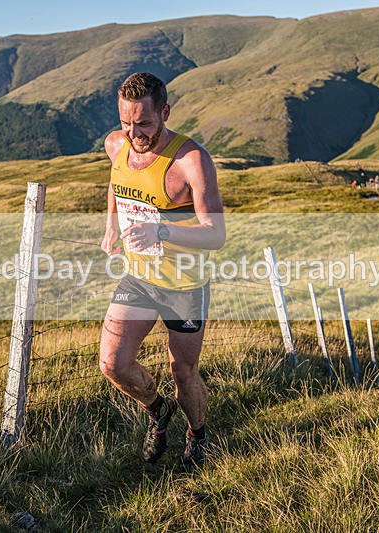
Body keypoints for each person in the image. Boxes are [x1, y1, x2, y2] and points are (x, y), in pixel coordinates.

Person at [100, 72, 226, 470]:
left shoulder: (191, 160)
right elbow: (117, 182)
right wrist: (110, 227)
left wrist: (162, 229)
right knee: (113, 364)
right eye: (126, 122)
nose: (134, 132)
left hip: (184, 284)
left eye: (144, 123)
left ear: (165, 112)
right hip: (139, 277)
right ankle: (158, 411)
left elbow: (216, 234)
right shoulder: (116, 144)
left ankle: (198, 435)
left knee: (183, 372)